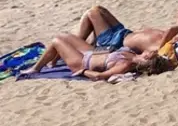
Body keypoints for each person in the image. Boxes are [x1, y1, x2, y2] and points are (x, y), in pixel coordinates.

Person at [73, 0, 178, 55]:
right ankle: (80, 42)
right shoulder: (168, 36)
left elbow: (172, 29)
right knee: (99, 9)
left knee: (92, 13)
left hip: (114, 42)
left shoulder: (162, 46)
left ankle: (74, 44)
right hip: (124, 32)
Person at [19, 34, 168, 81]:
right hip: (93, 53)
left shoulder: (125, 65)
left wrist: (82, 71)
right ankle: (52, 61)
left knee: (57, 41)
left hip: (82, 62)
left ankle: (35, 69)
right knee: (64, 35)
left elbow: (100, 76)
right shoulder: (134, 55)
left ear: (146, 61)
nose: (149, 51)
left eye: (150, 54)